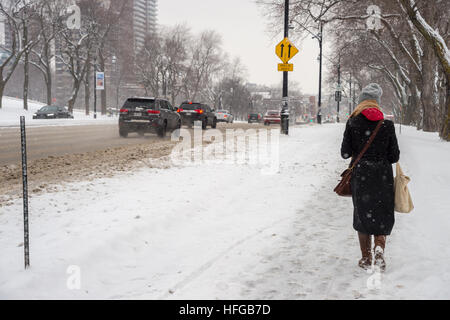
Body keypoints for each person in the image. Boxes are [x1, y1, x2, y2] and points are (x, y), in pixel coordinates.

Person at [341, 83, 400, 271]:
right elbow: (394, 156)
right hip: (383, 175)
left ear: (361, 102)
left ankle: (366, 258)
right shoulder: (387, 125)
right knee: (382, 213)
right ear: (377, 103)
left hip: (361, 176)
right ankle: (379, 249)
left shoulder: (352, 122)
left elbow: (344, 152)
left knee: (362, 214)